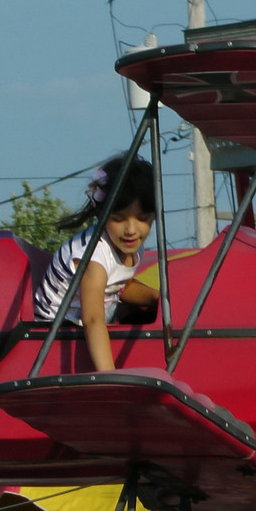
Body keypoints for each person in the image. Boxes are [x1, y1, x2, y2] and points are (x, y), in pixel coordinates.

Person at [34, 154, 159, 371]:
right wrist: (110, 376)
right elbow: (93, 319)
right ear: (101, 214)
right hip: (55, 332)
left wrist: (159, 298)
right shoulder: (93, 256)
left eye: (142, 219)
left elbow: (120, 286)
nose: (131, 230)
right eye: (118, 219)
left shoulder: (127, 246)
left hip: (87, 322)